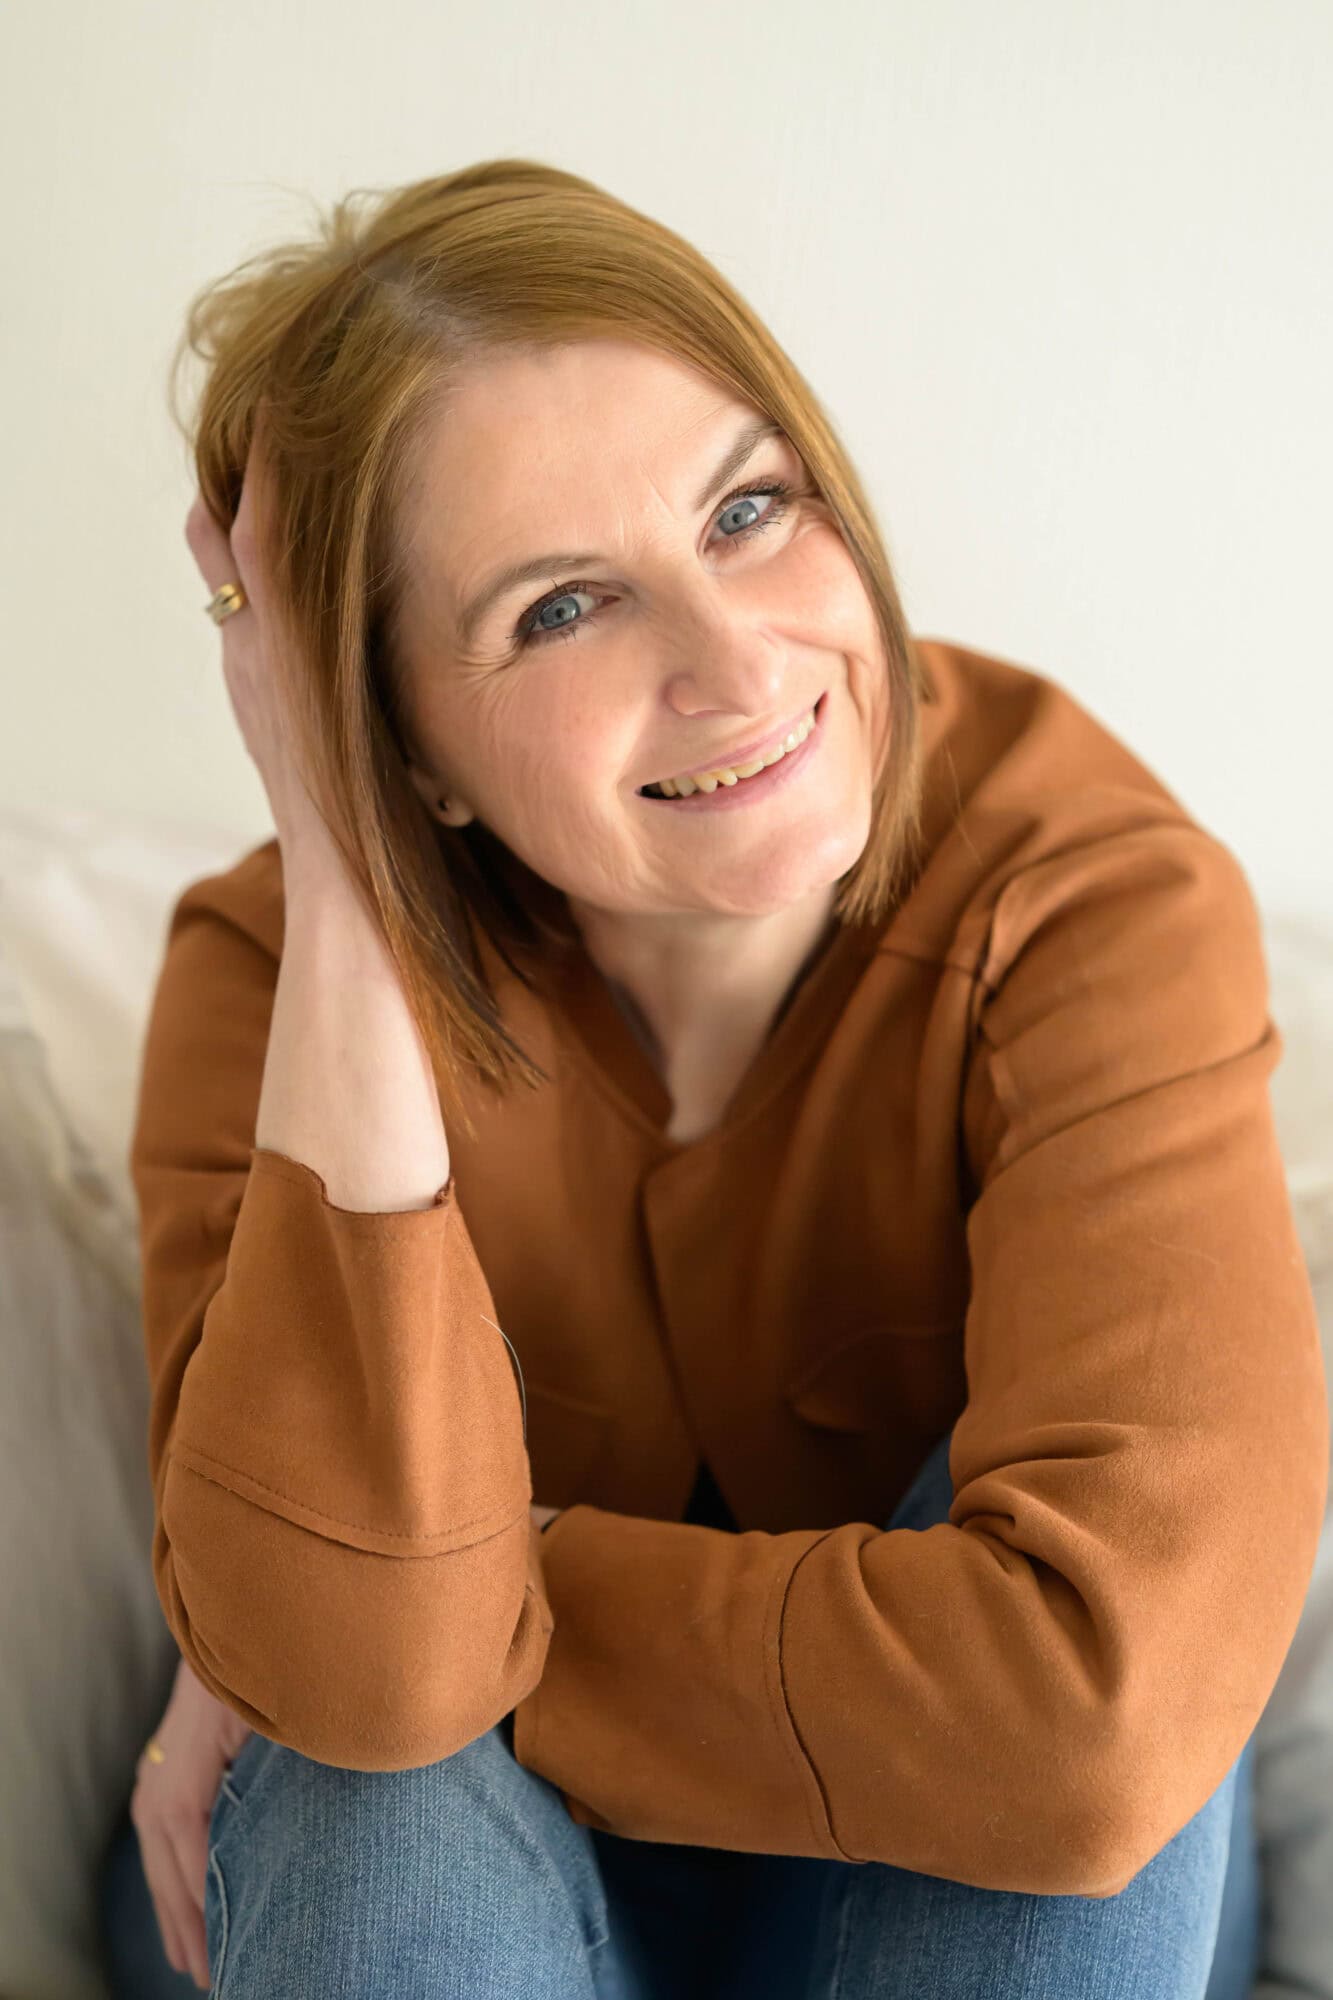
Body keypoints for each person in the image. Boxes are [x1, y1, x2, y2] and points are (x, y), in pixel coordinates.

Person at [98, 157, 1326, 1998]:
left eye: (748, 507)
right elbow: (353, 1698)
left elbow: (1092, 1722)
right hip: (438, 1875)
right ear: (400, 743)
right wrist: (339, 870)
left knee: (1062, 1806)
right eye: (559, 610)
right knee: (364, 1783)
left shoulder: (1090, 895)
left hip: (943, 1882)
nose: (736, 661)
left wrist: (470, 1584)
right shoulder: (273, 967)